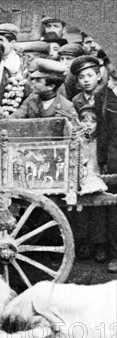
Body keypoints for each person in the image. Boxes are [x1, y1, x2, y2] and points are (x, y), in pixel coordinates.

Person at [69, 105, 108, 262]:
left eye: (93, 121)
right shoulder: (77, 141)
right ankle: (83, 243)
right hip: (81, 181)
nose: (88, 125)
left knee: (99, 213)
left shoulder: (102, 140)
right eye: (84, 120)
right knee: (80, 213)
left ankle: (100, 245)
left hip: (98, 180)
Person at [94, 63, 117, 272]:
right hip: (113, 155)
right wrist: (101, 160)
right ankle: (115, 254)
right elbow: (101, 130)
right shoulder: (103, 94)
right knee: (114, 207)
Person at [8, 59, 77, 121]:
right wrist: (1, 114)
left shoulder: (66, 106)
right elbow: (15, 117)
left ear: (51, 86)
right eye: (34, 79)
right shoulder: (31, 99)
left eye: (38, 80)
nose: (33, 82)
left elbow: (73, 129)